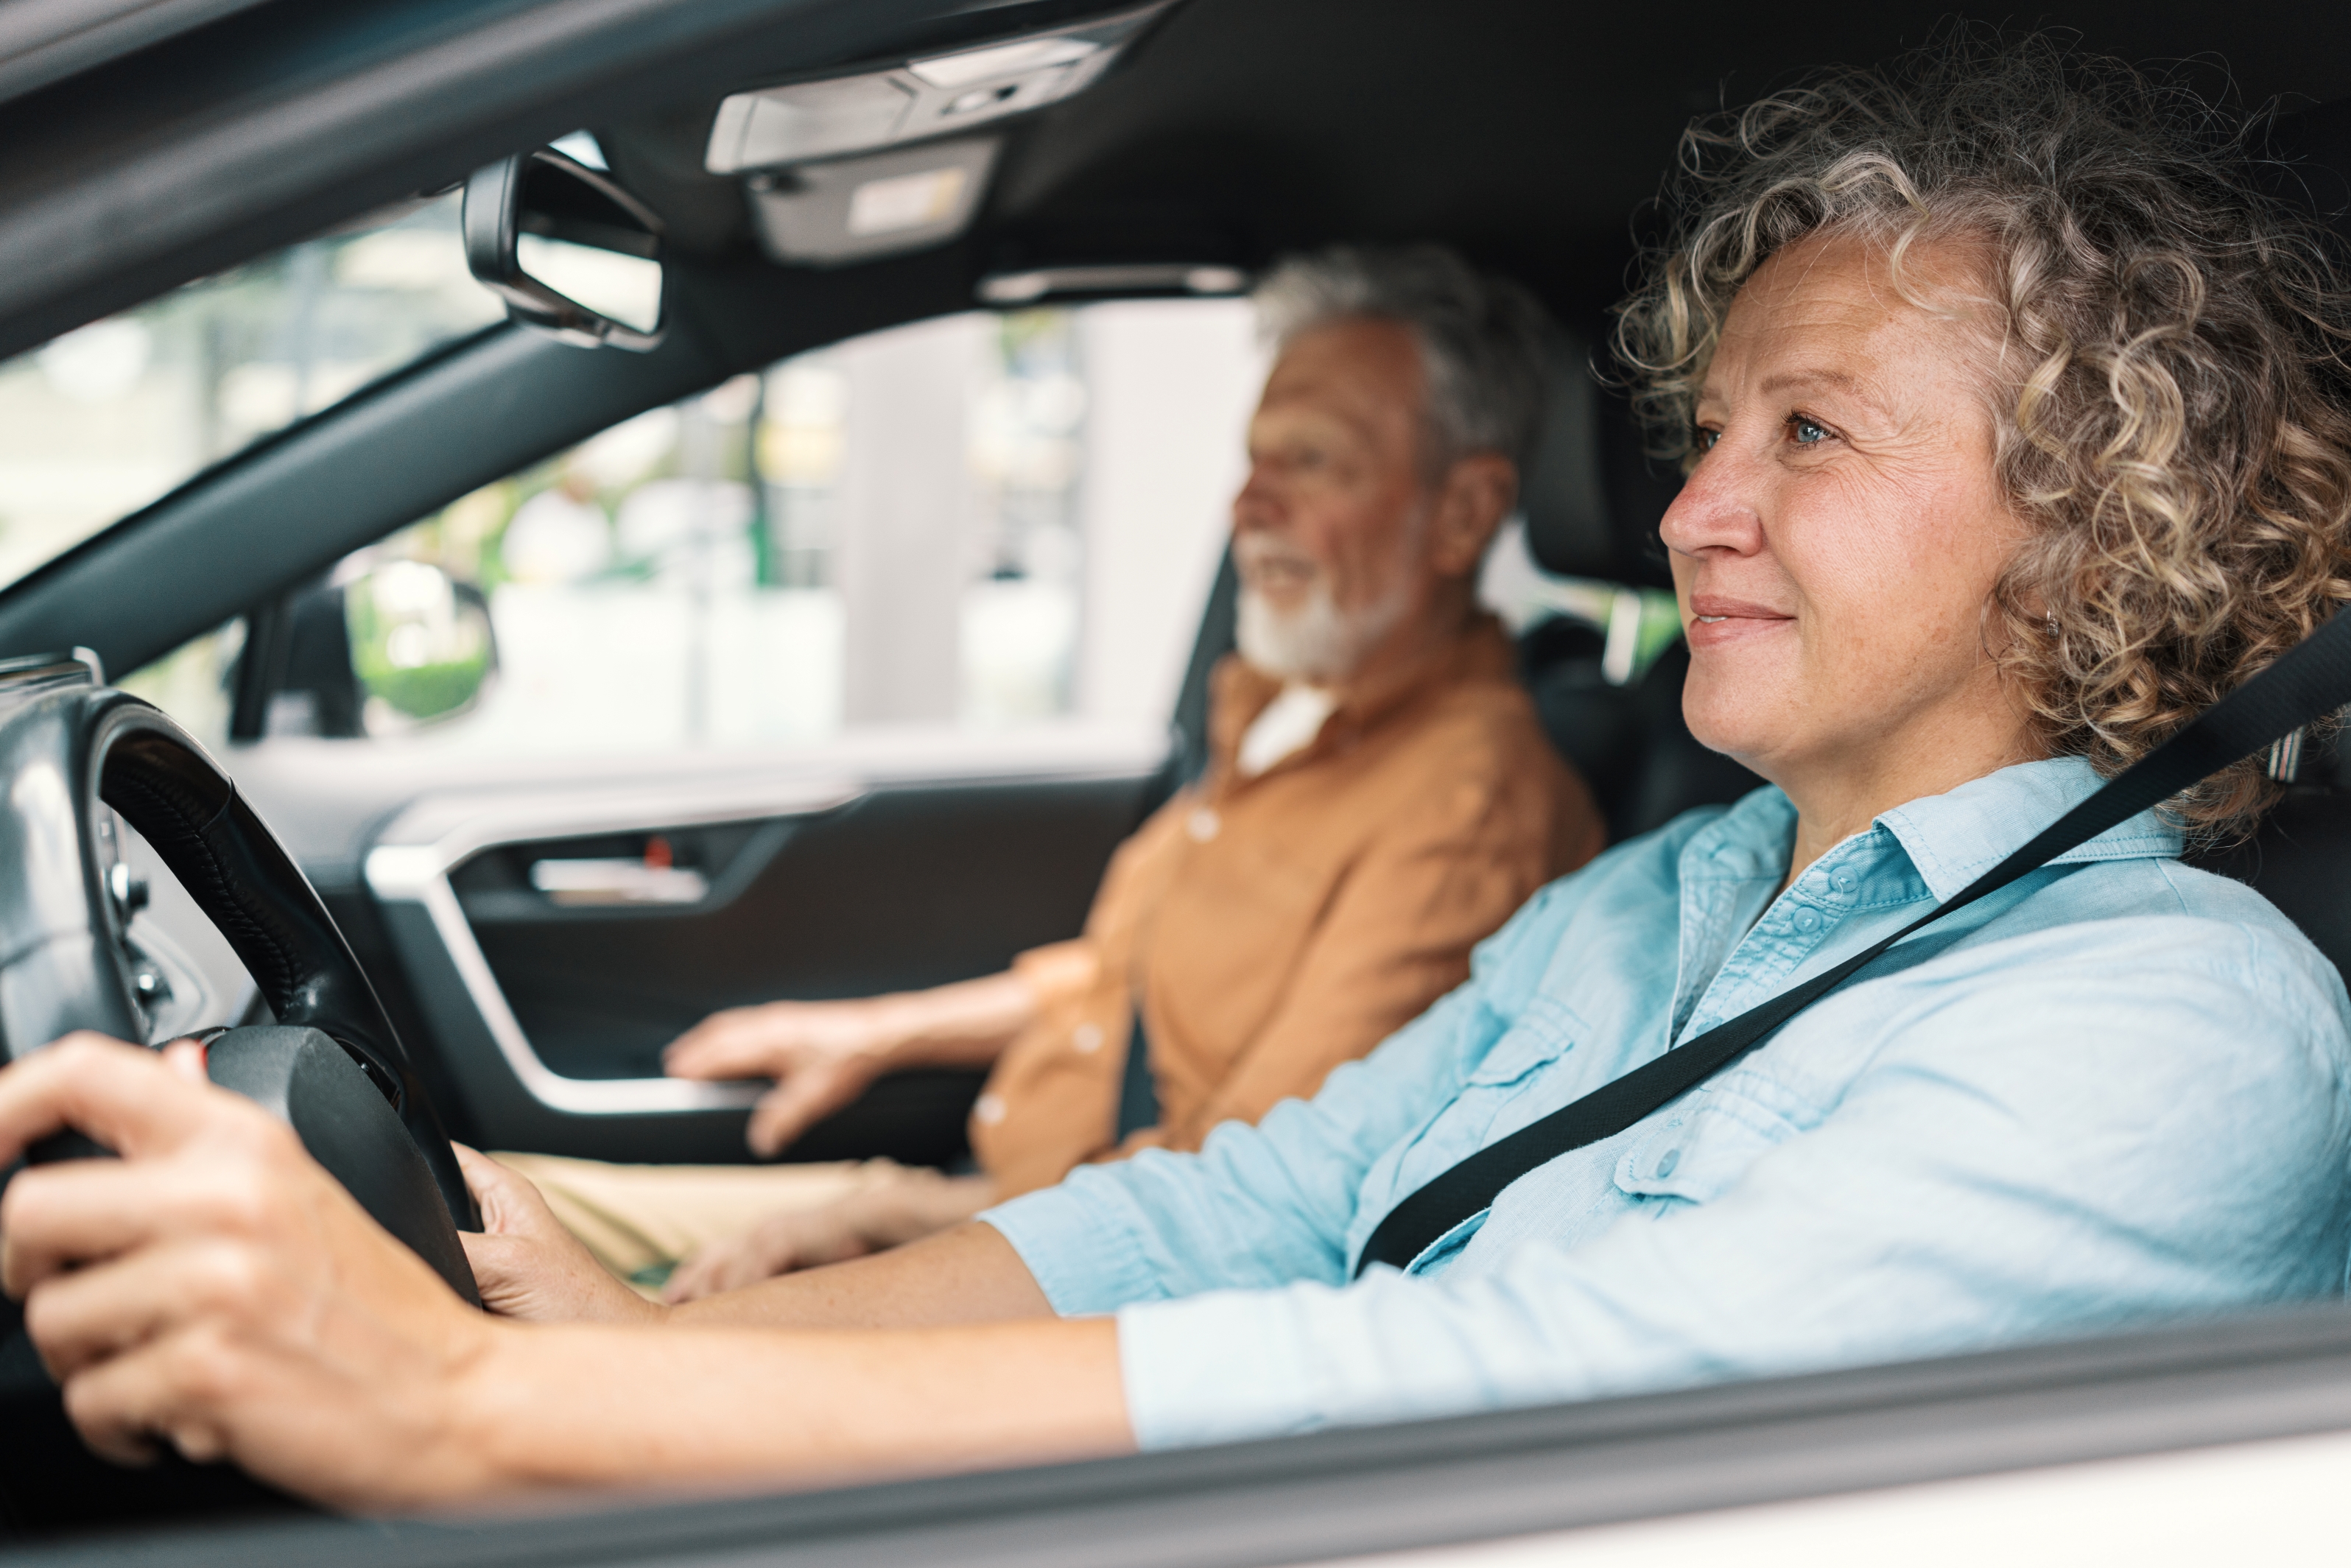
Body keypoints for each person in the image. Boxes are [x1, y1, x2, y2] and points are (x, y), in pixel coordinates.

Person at [6, 35, 2351, 1511]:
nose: (1680, 511)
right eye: (1707, 428)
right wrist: (644, 1357)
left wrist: (474, 1415)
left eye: (1809, 434)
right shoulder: (1663, 902)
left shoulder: (2174, 1025)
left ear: (2091, 531)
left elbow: (1489, 1397)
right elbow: (1228, 1210)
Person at [498, 245, 1604, 1301]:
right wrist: (879, 1035)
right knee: (494, 1197)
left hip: (1054, 1265)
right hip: (989, 1205)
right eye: (1254, 458)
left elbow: (1246, 1207)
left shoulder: (1468, 804)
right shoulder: (1287, 714)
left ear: (1461, 513)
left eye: (1309, 461)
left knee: (530, 1274)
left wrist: (889, 1232)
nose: (1246, 506)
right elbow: (1124, 976)